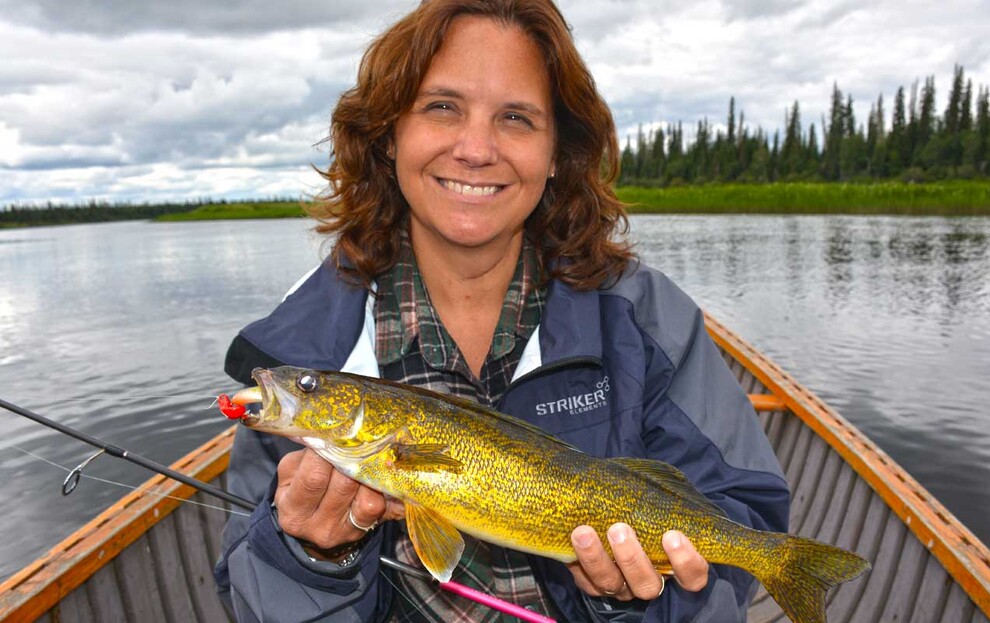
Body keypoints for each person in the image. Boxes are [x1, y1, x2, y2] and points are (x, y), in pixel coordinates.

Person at [214, 0, 789, 621]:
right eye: (442, 107)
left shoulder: (647, 321)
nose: (476, 148)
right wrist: (312, 561)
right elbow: (250, 596)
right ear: (388, 134)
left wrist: (631, 605)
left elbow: (738, 528)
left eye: (516, 118)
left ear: (555, 155)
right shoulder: (299, 340)